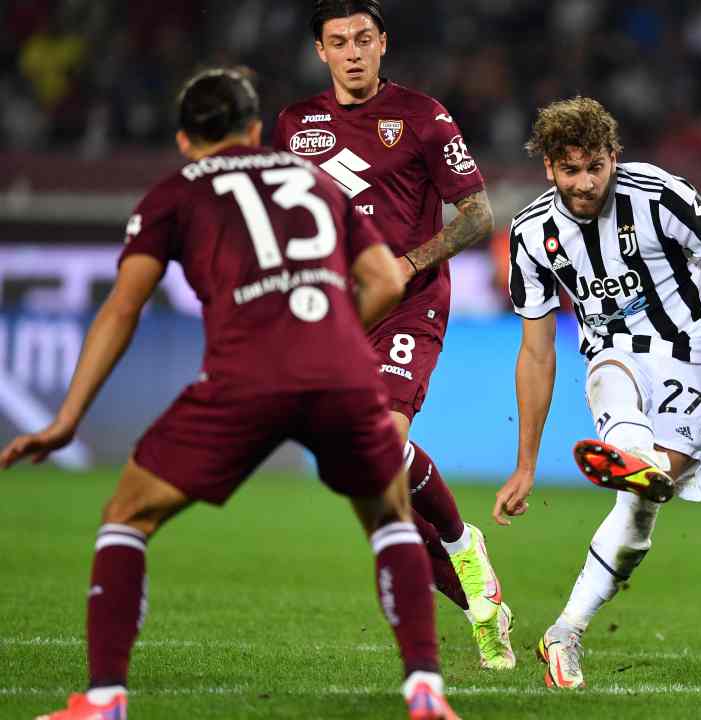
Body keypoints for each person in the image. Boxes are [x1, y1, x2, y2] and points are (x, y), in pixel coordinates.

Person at [1, 68, 458, 720]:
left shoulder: (171, 194)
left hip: (244, 377)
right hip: (337, 371)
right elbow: (384, 278)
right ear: (253, 129)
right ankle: (425, 691)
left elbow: (121, 310)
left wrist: (67, 419)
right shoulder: (312, 180)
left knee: (126, 516)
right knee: (388, 521)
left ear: (186, 140)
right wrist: (335, 337)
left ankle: (103, 701)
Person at [496, 96, 701, 688]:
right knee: (608, 369)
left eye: (596, 167)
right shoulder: (532, 233)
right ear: (548, 169)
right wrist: (526, 465)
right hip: (616, 353)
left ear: (614, 157)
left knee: (642, 509)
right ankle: (633, 461)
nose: (585, 183)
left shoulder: (660, 195)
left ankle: (569, 621)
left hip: (699, 358)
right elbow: (537, 351)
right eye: (570, 170)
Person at [274, 0, 515, 668]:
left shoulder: (423, 116)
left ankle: (464, 551)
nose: (353, 52)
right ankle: (478, 597)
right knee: (368, 483)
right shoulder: (295, 125)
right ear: (320, 52)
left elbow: (477, 216)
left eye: (363, 39)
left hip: (411, 303)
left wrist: (407, 263)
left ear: (384, 43)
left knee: (383, 440)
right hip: (340, 309)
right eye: (338, 42)